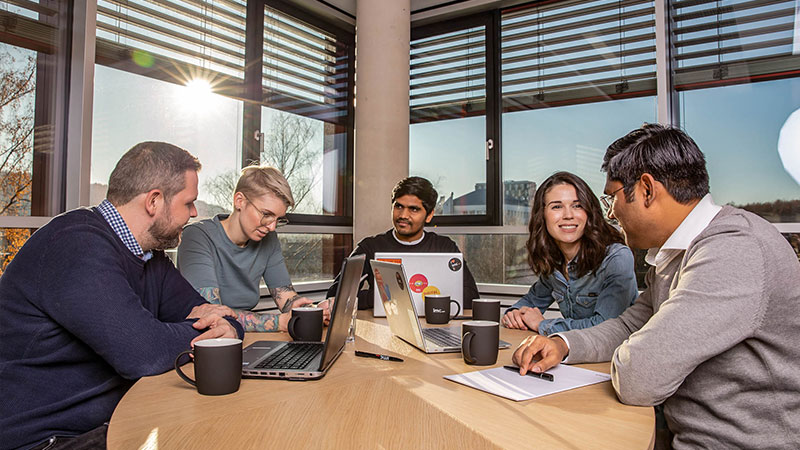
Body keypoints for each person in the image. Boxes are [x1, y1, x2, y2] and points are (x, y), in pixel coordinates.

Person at [512, 124, 800, 448]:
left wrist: (628, 357)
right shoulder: (673, 256)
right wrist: (564, 343)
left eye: (613, 199)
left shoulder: (734, 250)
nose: (611, 213)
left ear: (647, 189)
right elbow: (629, 326)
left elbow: (640, 377)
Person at [0, 142, 244, 450]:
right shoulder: (75, 244)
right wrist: (206, 333)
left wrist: (224, 327)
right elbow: (144, 353)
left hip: (116, 422)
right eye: (188, 203)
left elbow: (221, 318)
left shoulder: (150, 258)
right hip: (46, 440)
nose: (194, 213)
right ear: (154, 201)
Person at [177, 165, 324, 332]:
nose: (272, 227)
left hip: (243, 335)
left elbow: (287, 299)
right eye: (266, 214)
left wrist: (312, 309)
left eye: (278, 219)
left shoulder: (268, 239)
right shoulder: (197, 236)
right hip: (205, 339)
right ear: (240, 201)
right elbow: (212, 314)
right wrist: (280, 322)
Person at [502, 172, 638, 335]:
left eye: (577, 205)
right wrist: (514, 315)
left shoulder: (616, 258)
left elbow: (606, 328)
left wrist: (543, 325)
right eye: (557, 207)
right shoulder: (554, 263)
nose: (568, 215)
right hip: (575, 355)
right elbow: (528, 303)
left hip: (616, 356)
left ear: (589, 212)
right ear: (543, 215)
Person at [326, 176, 479, 310]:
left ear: (429, 215)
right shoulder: (370, 247)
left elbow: (471, 297)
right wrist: (381, 297)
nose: (403, 215)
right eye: (398, 206)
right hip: (383, 330)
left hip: (434, 326)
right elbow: (335, 296)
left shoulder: (444, 247)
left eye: (413, 209)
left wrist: (413, 295)